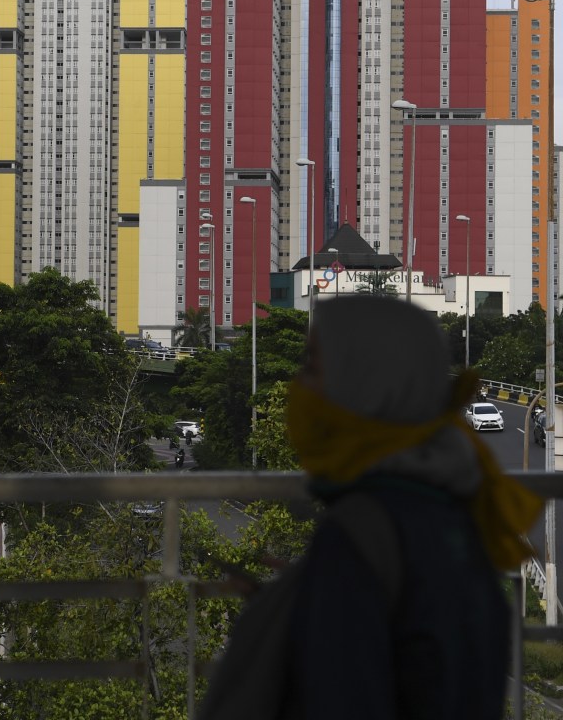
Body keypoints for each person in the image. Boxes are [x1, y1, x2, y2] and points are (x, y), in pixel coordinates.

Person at [199, 296, 543, 720]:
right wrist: (298, 602)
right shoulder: (456, 504)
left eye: (312, 366)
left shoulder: (362, 530)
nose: (298, 386)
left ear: (365, 387)